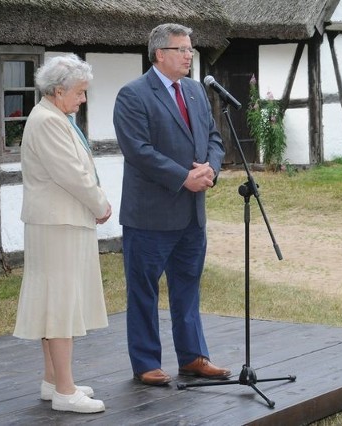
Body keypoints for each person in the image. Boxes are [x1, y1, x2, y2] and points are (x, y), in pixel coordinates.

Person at [113, 23, 229, 386]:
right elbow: (139, 151)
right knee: (144, 291)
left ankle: (193, 357)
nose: (189, 55)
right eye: (182, 49)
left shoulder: (195, 90)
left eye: (190, 49)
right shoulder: (133, 95)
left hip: (192, 215)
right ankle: (146, 361)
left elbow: (213, 137)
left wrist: (210, 167)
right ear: (160, 54)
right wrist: (184, 176)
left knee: (188, 288)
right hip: (150, 216)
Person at [13, 54, 112, 413]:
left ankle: (54, 380)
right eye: (81, 92)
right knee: (60, 304)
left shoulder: (53, 116)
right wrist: (100, 204)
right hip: (58, 223)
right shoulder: (48, 122)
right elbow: (71, 174)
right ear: (58, 91)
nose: (83, 99)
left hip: (59, 221)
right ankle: (65, 391)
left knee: (56, 301)